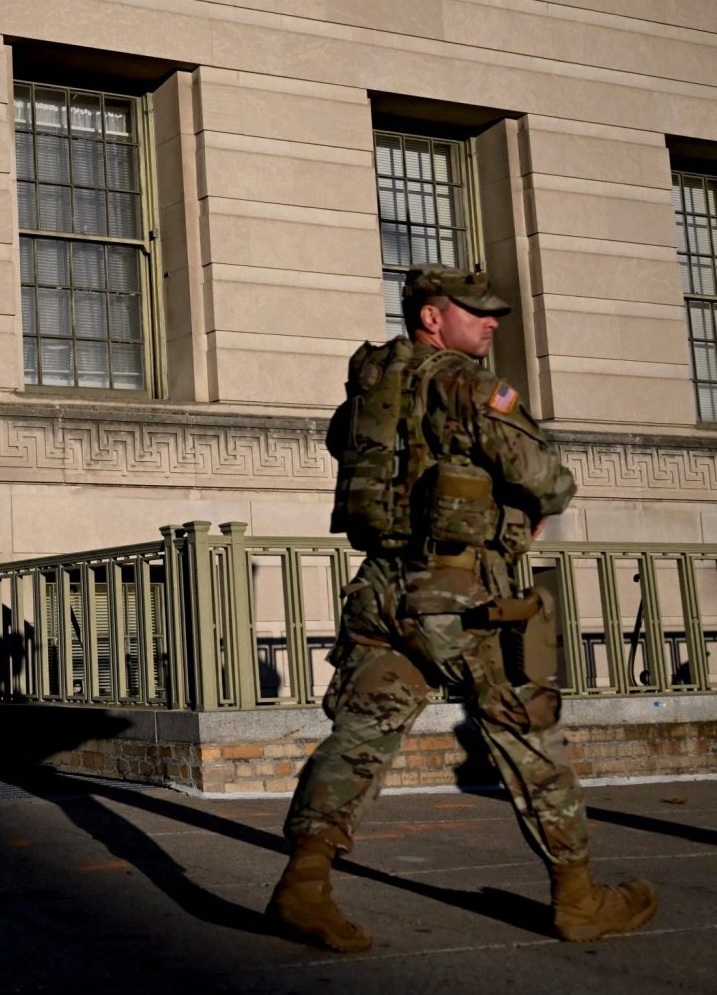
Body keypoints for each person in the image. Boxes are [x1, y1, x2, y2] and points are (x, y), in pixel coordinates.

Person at [268, 264, 659, 952]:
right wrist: (531, 500)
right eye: (475, 311)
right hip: (459, 597)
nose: (491, 322)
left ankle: (303, 886)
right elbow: (548, 477)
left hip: (384, 588)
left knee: (359, 737)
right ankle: (580, 898)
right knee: (527, 732)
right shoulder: (469, 385)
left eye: (494, 313)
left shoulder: (369, 386)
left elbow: (345, 447)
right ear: (430, 317)